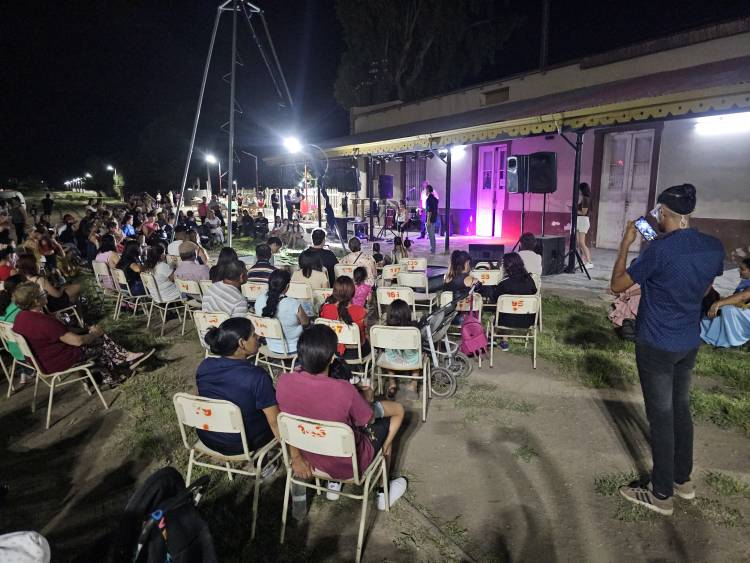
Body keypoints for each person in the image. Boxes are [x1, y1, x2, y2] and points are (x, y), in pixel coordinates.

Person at [610, 183, 724, 515]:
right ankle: (681, 480)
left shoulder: (656, 251)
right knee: (680, 409)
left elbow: (616, 285)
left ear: (662, 212)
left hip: (656, 343)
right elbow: (706, 288)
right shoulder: (712, 247)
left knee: (660, 417)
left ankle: (660, 495)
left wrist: (625, 245)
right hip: (688, 340)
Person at [275, 324, 407, 508]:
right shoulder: (343, 390)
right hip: (348, 464)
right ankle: (383, 488)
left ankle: (333, 485)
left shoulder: (284, 382)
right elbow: (367, 419)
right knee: (395, 413)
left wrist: (296, 456)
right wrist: (366, 397)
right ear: (331, 358)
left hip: (310, 455)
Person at [12, 282, 152, 385]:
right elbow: (78, 341)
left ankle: (114, 369)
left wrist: (86, 331)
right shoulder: (42, 322)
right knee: (98, 341)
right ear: (36, 301)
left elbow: (60, 334)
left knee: (93, 335)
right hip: (57, 361)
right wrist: (94, 334)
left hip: (41, 361)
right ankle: (121, 367)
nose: (46, 294)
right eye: (42, 294)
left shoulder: (20, 318)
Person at [197, 318, 280, 455]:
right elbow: (275, 422)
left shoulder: (204, 366)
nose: (258, 336)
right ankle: (268, 458)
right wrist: (295, 456)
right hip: (241, 443)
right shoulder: (256, 376)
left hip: (208, 435)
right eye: (254, 334)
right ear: (242, 343)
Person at [255, 269, 309, 354]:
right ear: (287, 286)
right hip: (293, 348)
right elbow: (306, 323)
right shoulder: (293, 303)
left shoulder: (259, 299)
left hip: (270, 346)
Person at [491, 252, 537, 350]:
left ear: (507, 266)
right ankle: (498, 337)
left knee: (502, 311)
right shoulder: (529, 280)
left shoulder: (504, 283)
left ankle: (502, 340)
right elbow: (534, 291)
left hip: (506, 321)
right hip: (528, 321)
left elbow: (494, 299)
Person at [700, 257, 750, 347]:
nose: (739, 271)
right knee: (713, 296)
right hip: (743, 309)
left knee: (727, 309)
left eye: (743, 269)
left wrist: (718, 304)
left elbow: (744, 296)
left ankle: (724, 338)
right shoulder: (746, 282)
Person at [320, 276, 369, 359]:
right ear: (353, 292)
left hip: (333, 350)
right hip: (356, 353)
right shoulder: (361, 311)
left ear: (334, 291)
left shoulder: (325, 309)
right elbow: (365, 333)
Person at [16, 254, 81, 312]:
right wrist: (62, 288)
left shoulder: (23, 281)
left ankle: (75, 313)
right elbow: (57, 295)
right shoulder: (39, 279)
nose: (39, 264)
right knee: (77, 287)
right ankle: (76, 313)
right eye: (36, 262)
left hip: (43, 307)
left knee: (71, 292)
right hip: (52, 305)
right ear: (32, 266)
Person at [0, 275, 32, 386]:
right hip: (30, 356)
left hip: (16, 354)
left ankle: (25, 372)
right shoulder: (22, 309)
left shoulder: (3, 308)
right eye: (27, 283)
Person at [576, 182, 593, 269]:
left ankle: (589, 261)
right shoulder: (584, 199)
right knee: (579, 243)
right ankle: (582, 261)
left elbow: (584, 213)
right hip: (580, 221)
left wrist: (574, 210)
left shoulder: (586, 199)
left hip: (583, 221)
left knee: (582, 243)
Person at [425, 185, 439, 254]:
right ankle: (433, 249)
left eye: (426, 190)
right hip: (434, 219)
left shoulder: (428, 199)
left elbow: (429, 211)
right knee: (432, 235)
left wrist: (428, 221)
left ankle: (432, 250)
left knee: (431, 235)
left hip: (430, 219)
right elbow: (436, 210)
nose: (425, 191)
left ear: (428, 190)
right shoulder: (435, 199)